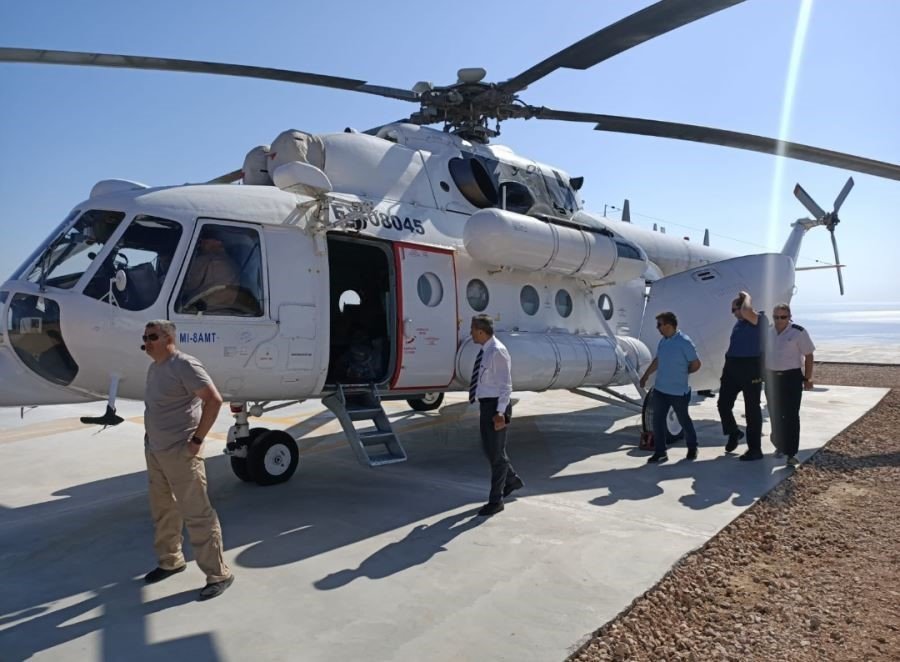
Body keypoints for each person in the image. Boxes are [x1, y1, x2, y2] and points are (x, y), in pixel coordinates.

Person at [141, 320, 234, 600]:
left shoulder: (184, 364)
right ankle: (171, 561)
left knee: (197, 513)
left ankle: (219, 574)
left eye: (152, 336)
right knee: (163, 510)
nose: (147, 341)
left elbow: (214, 400)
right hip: (156, 451)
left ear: (169, 337)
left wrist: (196, 441)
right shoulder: (154, 367)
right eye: (145, 337)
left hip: (181, 451)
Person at [469, 314, 523, 516]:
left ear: (481, 331)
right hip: (487, 406)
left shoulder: (497, 351)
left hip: (496, 408)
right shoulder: (486, 350)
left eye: (472, 330)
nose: (471, 333)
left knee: (496, 455)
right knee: (490, 450)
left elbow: (506, 386)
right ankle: (512, 480)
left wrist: (500, 413)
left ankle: (496, 500)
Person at [639, 311, 702, 464]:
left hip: (678, 392)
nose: (657, 328)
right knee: (657, 421)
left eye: (659, 325)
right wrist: (646, 375)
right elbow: (658, 360)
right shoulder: (663, 341)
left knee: (684, 420)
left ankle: (692, 447)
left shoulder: (684, 342)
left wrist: (682, 373)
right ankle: (661, 452)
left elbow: (696, 364)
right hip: (660, 390)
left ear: (668, 325)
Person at [717, 291, 767, 461]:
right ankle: (733, 432)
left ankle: (755, 449)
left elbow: (746, 311)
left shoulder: (759, 319)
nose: (734, 314)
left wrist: (746, 295)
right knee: (723, 403)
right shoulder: (739, 323)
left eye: (735, 309)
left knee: (752, 408)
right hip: (732, 367)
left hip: (750, 367)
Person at [765, 303, 816, 467]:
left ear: (789, 317)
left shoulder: (798, 332)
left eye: (783, 317)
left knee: (791, 416)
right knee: (774, 414)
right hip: (773, 378)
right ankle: (779, 445)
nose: (779, 320)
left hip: (791, 378)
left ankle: (791, 452)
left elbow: (809, 356)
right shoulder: (768, 332)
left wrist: (807, 378)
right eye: (776, 317)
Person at [179, 232, 240, 313]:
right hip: (227, 310)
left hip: (201, 311)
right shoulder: (234, 263)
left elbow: (186, 285)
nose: (201, 245)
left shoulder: (204, 260)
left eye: (204, 241)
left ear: (218, 242)